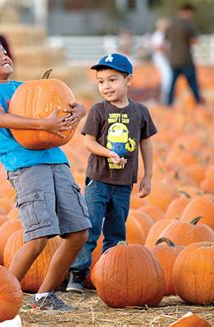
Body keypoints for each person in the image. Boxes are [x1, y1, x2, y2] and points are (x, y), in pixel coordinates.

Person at [0, 37, 91, 311]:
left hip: (56, 160)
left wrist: (78, 110)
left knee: (79, 232)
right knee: (37, 237)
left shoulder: (24, 88)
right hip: (25, 166)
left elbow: (61, 105)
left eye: (5, 52)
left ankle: (45, 296)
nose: (5, 56)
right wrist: (43, 123)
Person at [66, 53, 157, 294]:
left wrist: (148, 175)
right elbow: (89, 142)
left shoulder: (140, 111)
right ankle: (78, 272)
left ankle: (110, 272)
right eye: (101, 81)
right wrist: (107, 153)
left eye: (112, 80)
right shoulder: (98, 110)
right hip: (98, 180)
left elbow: (145, 143)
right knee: (90, 227)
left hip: (124, 183)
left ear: (128, 80)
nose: (106, 86)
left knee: (116, 231)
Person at [165, 3, 202, 106]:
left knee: (172, 84)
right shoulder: (188, 24)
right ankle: (198, 101)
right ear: (188, 12)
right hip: (186, 59)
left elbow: (166, 39)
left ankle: (168, 103)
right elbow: (194, 41)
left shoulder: (171, 25)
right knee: (193, 83)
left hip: (173, 59)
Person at [147, 18, 172, 103]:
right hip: (161, 58)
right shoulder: (158, 35)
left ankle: (166, 95)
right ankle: (165, 95)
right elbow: (158, 47)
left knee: (167, 76)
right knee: (167, 76)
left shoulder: (164, 34)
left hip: (164, 58)